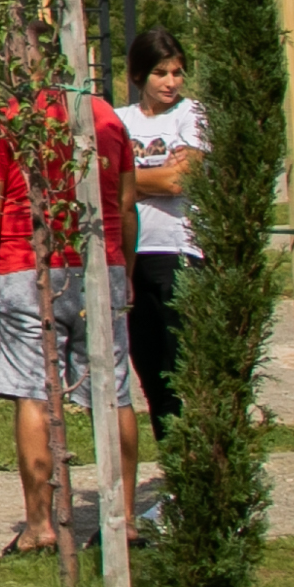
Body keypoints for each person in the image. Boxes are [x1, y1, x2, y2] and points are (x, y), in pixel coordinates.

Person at [0, 74, 134, 561]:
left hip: (28, 265)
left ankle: (40, 524)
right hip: (101, 262)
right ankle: (122, 518)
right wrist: (125, 269)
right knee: (114, 391)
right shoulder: (104, 116)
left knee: (34, 393)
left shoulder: (7, 121)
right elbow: (125, 204)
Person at [118, 31, 206, 436]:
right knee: (149, 367)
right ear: (139, 75)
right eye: (160, 73)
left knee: (181, 364)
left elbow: (179, 181)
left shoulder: (192, 115)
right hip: (133, 254)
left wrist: (126, 180)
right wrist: (149, 178)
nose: (172, 82)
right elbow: (97, 179)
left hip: (178, 249)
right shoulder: (121, 120)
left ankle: (194, 453)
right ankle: (171, 453)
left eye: (177, 72)